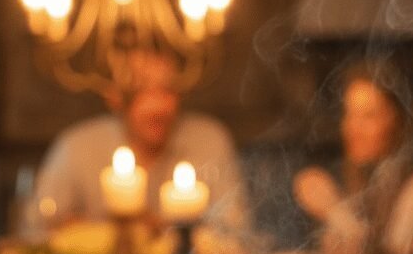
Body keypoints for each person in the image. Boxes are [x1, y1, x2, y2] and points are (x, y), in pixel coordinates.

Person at [30, 48, 249, 236]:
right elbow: (35, 229)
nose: (158, 107)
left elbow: (237, 231)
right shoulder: (75, 147)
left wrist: (171, 233)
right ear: (114, 97)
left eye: (167, 91)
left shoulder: (210, 140)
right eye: (141, 92)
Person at [292, 55, 413, 254]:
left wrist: (333, 210)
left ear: (403, 121)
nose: (352, 128)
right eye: (349, 114)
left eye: (369, 116)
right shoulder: (370, 179)